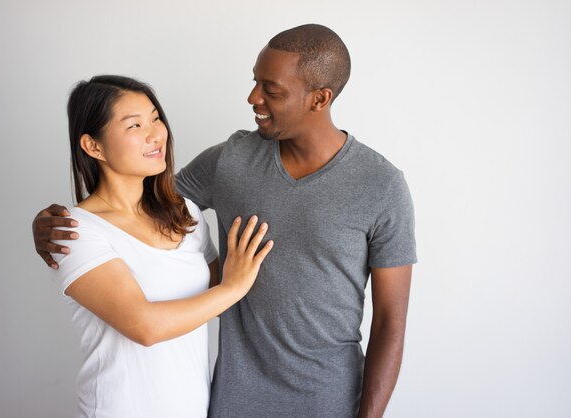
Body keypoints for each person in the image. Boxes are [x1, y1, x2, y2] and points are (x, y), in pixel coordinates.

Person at [34, 25, 416, 418]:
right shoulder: (229, 162)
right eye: (255, 81)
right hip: (231, 401)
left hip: (330, 401)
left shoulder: (380, 185)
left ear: (319, 99)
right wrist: (51, 224)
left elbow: (391, 322)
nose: (253, 98)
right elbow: (142, 202)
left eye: (272, 89)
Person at [46, 75, 273, 418]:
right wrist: (235, 286)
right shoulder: (76, 232)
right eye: (134, 125)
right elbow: (145, 327)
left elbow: (207, 294)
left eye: (155, 118)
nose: (156, 133)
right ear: (94, 147)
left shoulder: (185, 212)